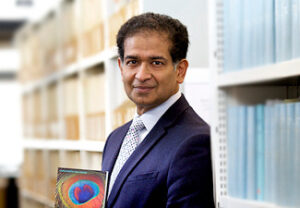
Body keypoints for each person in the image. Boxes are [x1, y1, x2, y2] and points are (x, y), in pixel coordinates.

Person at [102, 12, 215, 208]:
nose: (142, 75)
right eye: (132, 62)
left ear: (180, 70)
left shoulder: (195, 143)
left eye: (156, 63)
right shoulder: (115, 139)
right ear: (121, 68)